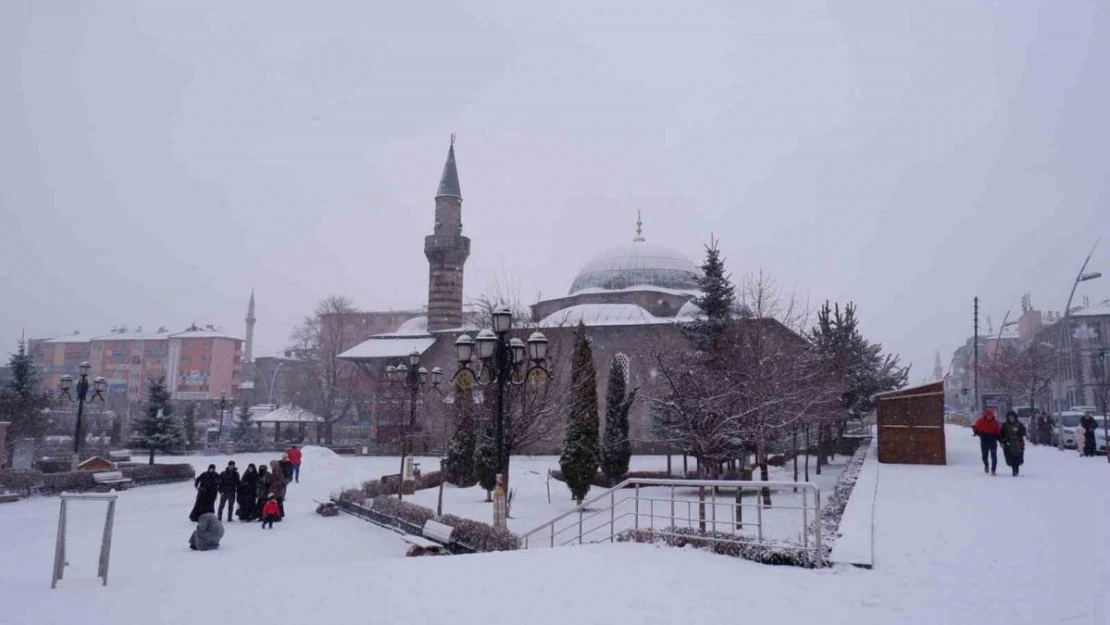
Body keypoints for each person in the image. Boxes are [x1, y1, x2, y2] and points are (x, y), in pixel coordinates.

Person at [973, 409, 1002, 475]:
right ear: (985, 416)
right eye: (988, 415)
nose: (989, 417)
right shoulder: (980, 421)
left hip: (993, 440)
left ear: (992, 416)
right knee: (984, 455)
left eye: (991, 415)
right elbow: (976, 428)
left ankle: (993, 470)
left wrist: (1000, 440)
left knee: (994, 456)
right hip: (984, 439)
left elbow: (998, 432)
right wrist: (977, 433)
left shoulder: (995, 423)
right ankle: (986, 465)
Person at [1000, 411, 1027, 476]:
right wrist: (1003, 441)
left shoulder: (1019, 424)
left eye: (1012, 417)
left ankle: (1016, 469)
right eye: (1010, 417)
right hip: (1008, 443)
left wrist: (1019, 433)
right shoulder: (1005, 425)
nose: (1011, 418)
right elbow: (1001, 434)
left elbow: (1023, 432)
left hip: (1018, 443)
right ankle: (1013, 468)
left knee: (1018, 456)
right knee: (1010, 457)